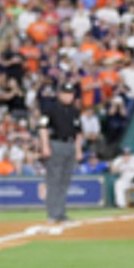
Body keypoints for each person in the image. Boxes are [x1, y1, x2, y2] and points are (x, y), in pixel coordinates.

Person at [38, 81, 82, 224]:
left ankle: (61, 213)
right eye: (65, 93)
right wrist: (45, 146)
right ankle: (53, 214)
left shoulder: (74, 111)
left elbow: (78, 132)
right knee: (54, 181)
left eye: (70, 94)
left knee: (65, 182)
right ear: (59, 94)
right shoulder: (50, 108)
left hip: (70, 145)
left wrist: (78, 150)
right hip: (56, 143)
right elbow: (42, 127)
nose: (68, 96)